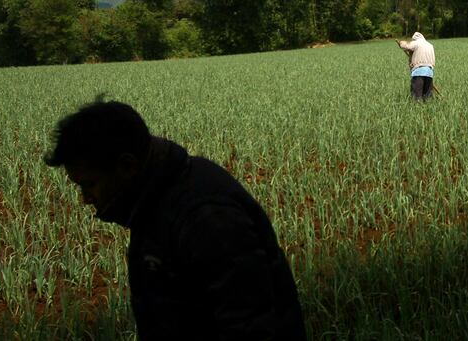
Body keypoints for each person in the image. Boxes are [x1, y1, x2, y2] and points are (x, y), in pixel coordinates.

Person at [44, 98, 306, 340]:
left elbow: (250, 327)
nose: (85, 198)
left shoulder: (205, 216)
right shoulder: (152, 199)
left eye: (89, 184)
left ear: (126, 166)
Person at [396, 32, 436, 101]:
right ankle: (428, 109)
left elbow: (406, 45)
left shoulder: (417, 42)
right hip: (429, 72)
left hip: (418, 72)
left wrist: (401, 43)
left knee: (417, 97)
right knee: (427, 96)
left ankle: (418, 109)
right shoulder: (430, 45)